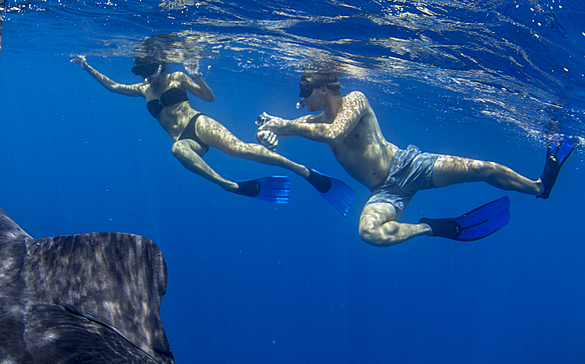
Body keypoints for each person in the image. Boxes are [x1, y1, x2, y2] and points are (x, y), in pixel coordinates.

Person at [255, 68, 577, 246]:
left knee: (483, 168)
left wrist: (283, 125)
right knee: (370, 233)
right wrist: (267, 133)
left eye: (305, 90)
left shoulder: (355, 100)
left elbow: (337, 133)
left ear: (325, 89)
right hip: (384, 192)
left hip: (410, 166)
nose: (301, 98)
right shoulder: (313, 121)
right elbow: (277, 130)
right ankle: (435, 228)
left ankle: (540, 186)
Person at [71, 54, 355, 214]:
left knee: (241, 149)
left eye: (147, 70)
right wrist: (87, 67)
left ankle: (303, 171)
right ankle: (229, 185)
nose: (144, 77)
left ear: (159, 65)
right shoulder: (142, 90)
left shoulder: (177, 78)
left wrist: (196, 75)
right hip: (182, 139)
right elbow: (112, 86)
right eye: (140, 72)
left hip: (198, 122)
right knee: (177, 150)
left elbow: (209, 98)